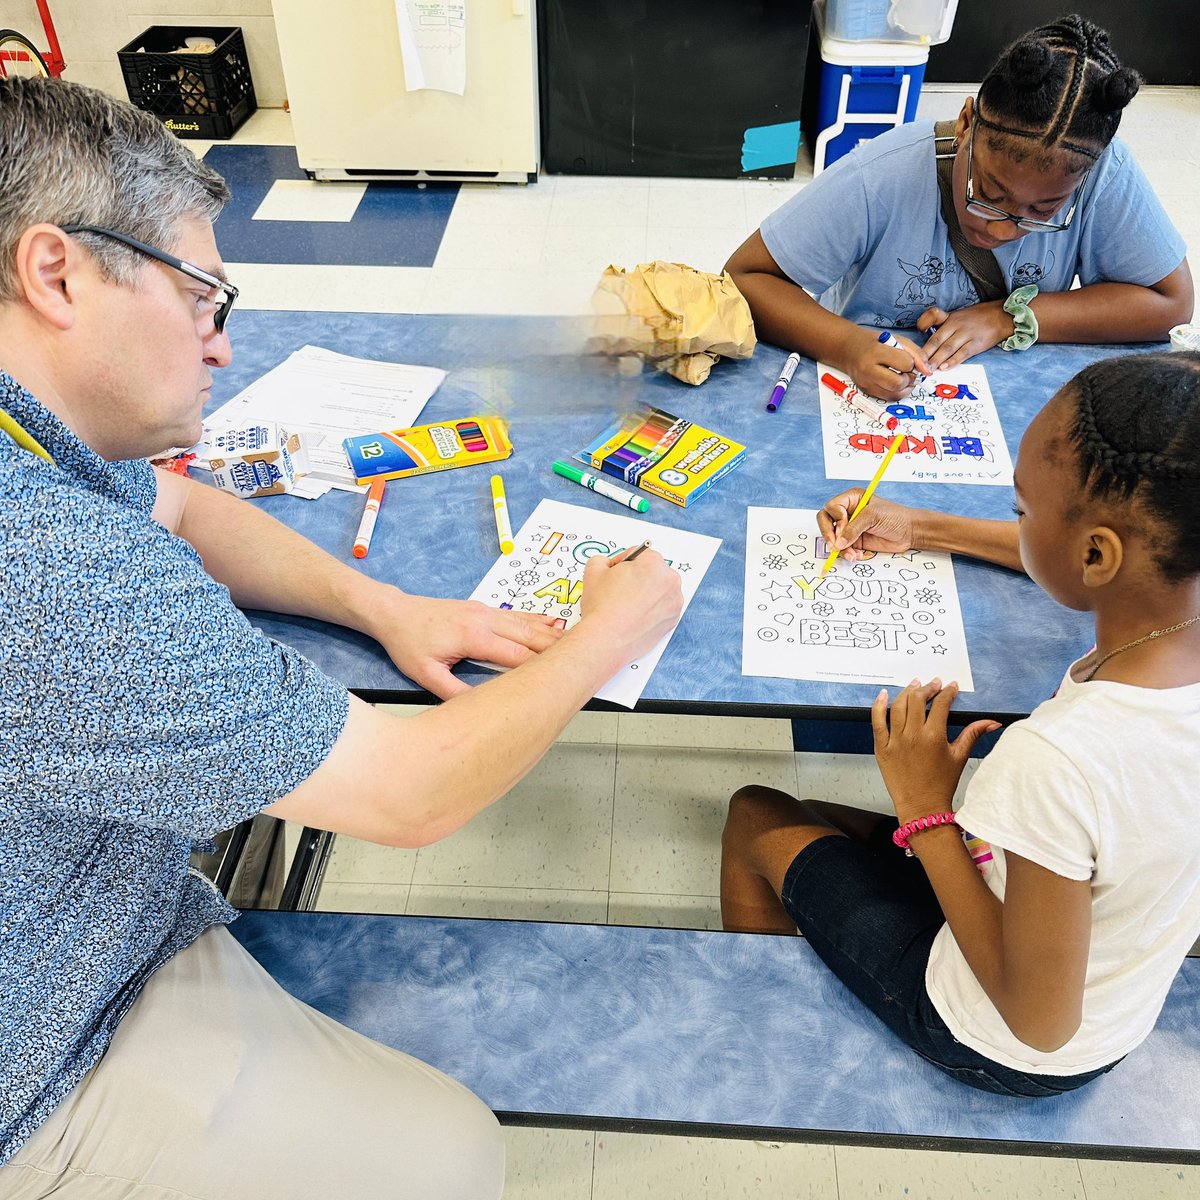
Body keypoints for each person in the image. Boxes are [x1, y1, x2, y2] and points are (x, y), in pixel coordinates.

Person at [0, 78, 683, 1198]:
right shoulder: (48, 566)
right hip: (43, 1052)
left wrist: (386, 607)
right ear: (56, 271)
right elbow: (409, 797)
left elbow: (181, 505)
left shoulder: (36, 425)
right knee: (452, 1153)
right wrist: (606, 635)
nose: (221, 348)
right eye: (204, 298)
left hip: (91, 902)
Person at [721, 349, 1200, 1096]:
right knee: (822, 822)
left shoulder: (1059, 759)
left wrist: (926, 812)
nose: (1016, 520)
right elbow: (1076, 552)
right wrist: (921, 527)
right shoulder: (1174, 605)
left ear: (1098, 553)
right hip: (1111, 973)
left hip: (1009, 1041)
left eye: (1020, 508)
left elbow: (1039, 1020)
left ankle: (762, 1047)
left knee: (758, 815)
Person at [725, 15, 1193, 402]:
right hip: (868, 386)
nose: (1005, 229)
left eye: (1043, 209)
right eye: (988, 193)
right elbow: (746, 278)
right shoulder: (880, 174)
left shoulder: (1101, 172)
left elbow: (1171, 304)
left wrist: (1010, 317)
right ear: (966, 123)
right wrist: (846, 345)